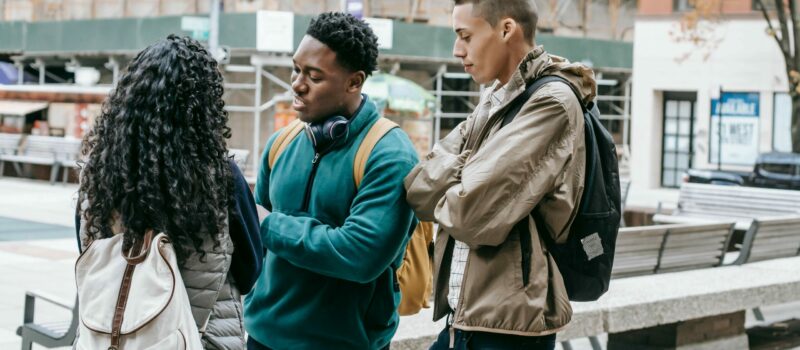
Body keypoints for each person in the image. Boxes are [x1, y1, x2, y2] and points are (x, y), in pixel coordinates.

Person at [403, 1, 598, 349]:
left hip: (509, 330)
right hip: (462, 319)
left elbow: (470, 214)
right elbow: (419, 191)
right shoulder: (494, 99)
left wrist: (463, 170)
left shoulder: (552, 102)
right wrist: (476, 165)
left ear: (506, 30)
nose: (456, 49)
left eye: (465, 36)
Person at [74, 34, 263, 350]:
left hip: (114, 336)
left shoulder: (99, 174)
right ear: (203, 105)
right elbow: (249, 269)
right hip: (203, 338)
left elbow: (87, 253)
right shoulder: (221, 176)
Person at [243, 12, 419, 350]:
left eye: (314, 76)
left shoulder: (390, 155)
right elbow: (254, 242)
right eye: (296, 69)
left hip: (345, 343)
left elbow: (358, 254)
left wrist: (268, 225)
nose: (297, 84)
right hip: (263, 336)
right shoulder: (281, 143)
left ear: (354, 82)